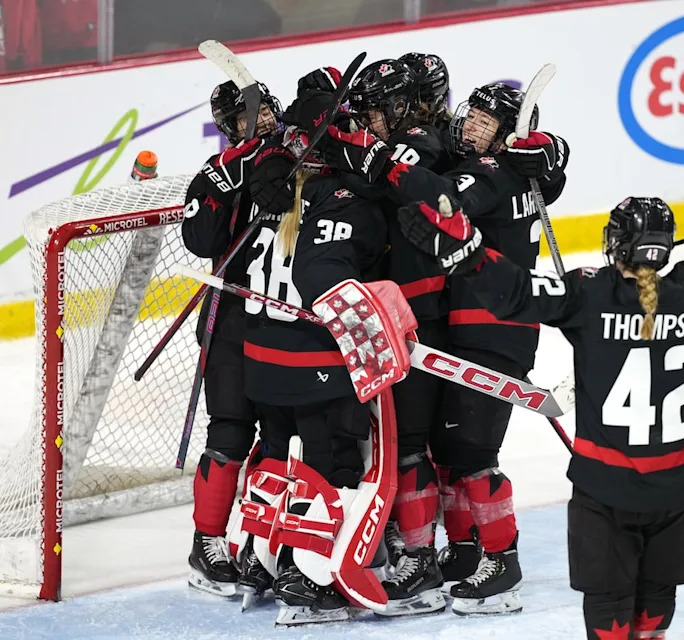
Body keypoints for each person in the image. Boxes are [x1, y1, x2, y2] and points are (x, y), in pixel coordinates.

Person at [395, 173, 684, 638]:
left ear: (616, 245)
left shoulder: (591, 294)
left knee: (609, 613)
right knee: (655, 611)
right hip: (680, 489)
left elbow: (514, 293)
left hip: (606, 490)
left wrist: (464, 250)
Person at [324, 81, 570, 615]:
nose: (472, 126)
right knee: (456, 451)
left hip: (489, 327)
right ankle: (461, 552)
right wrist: (551, 157)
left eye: (487, 122)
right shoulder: (515, 169)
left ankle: (501, 563)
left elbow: (443, 198)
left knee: (472, 453)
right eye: (473, 116)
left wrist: (379, 162)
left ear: (509, 136)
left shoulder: (493, 170)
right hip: (482, 326)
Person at [237, 92, 390, 625]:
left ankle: (264, 556)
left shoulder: (269, 192)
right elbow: (336, 276)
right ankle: (311, 576)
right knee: (331, 465)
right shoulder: (345, 199)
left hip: (260, 358)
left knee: (277, 456)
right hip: (315, 361)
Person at [344, 57, 454, 617]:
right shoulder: (393, 140)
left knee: (409, 440)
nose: (372, 119)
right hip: (383, 311)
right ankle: (409, 543)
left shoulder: (423, 141)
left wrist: (349, 142)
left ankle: (422, 557)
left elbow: (388, 173)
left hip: (416, 313)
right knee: (389, 439)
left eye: (378, 109)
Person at [180, 79, 292, 597]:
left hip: (283, 316)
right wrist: (237, 172)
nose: (262, 120)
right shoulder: (216, 173)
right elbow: (199, 238)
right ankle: (207, 544)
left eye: (266, 109)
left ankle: (260, 543)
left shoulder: (300, 151)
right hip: (229, 316)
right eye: (247, 117)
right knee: (229, 430)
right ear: (228, 129)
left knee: (278, 434)